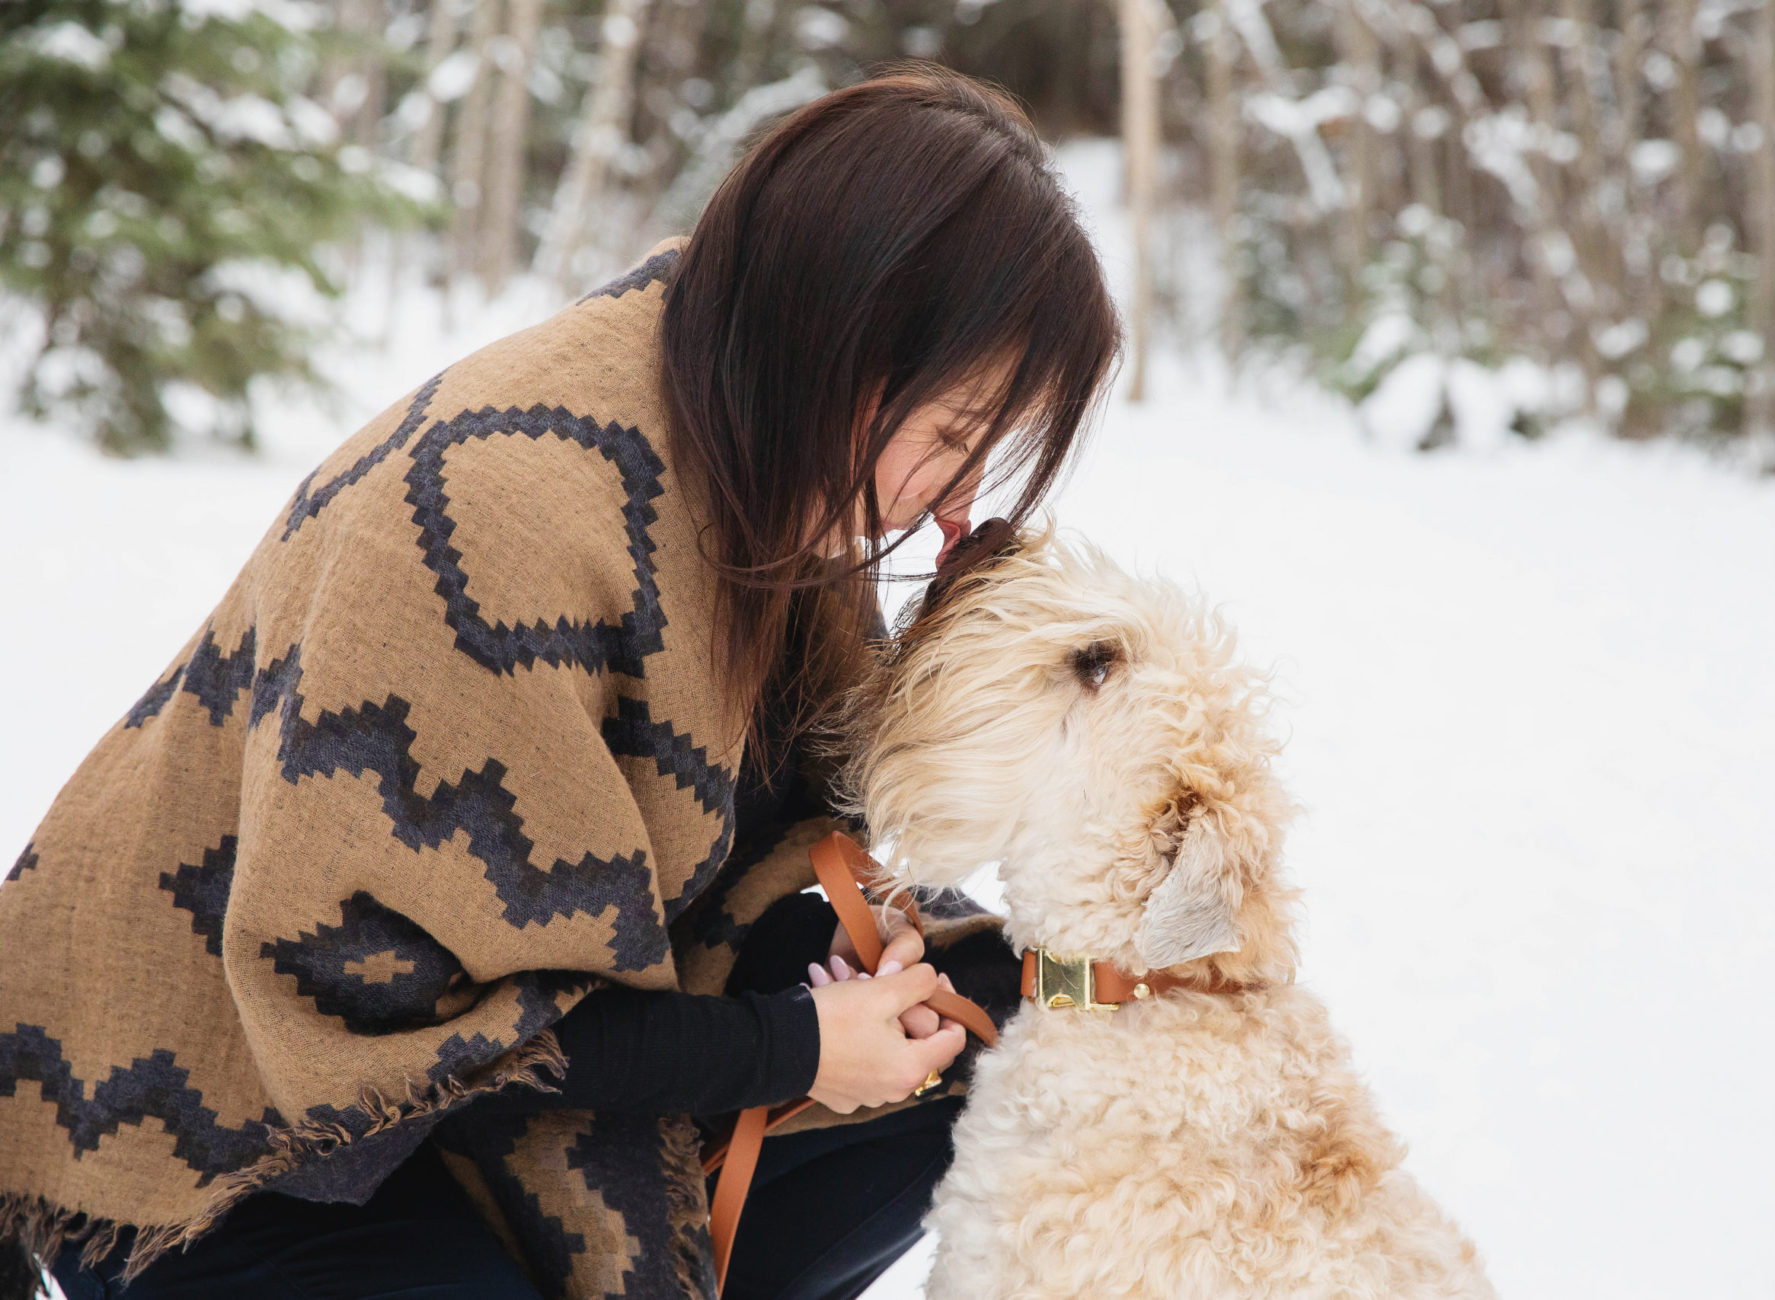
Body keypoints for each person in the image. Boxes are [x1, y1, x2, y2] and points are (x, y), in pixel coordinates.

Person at [0, 64, 1118, 1300]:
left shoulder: (761, 441)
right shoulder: (495, 523)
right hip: (228, 1112)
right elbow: (397, 1021)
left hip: (510, 1030)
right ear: (836, 337)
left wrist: (1003, 958)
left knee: (1011, 1026)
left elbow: (795, 808)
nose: (952, 505)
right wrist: (795, 1045)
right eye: (951, 440)